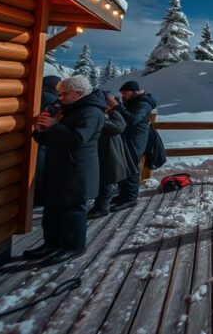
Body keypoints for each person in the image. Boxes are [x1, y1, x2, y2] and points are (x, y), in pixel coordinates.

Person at [27, 75, 105, 265]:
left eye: (64, 94)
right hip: (60, 168)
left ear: (78, 94)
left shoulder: (91, 111)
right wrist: (41, 130)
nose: (60, 97)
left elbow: (77, 139)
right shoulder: (68, 108)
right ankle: (51, 244)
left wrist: (53, 127)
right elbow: (50, 139)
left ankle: (74, 247)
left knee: (73, 211)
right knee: (52, 209)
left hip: (77, 170)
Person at [107, 80, 157, 211]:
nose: (123, 96)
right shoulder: (134, 102)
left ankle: (131, 198)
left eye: (125, 93)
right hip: (129, 138)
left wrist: (117, 106)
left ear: (134, 92)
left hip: (136, 140)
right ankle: (124, 195)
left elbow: (133, 119)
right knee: (125, 165)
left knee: (132, 167)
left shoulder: (143, 104)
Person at [88, 90, 129, 219]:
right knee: (106, 179)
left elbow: (119, 126)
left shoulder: (98, 115)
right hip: (107, 150)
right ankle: (100, 206)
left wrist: (112, 110)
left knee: (106, 180)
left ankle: (101, 207)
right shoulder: (102, 113)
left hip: (108, 151)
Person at [33, 75, 62, 209]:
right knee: (42, 169)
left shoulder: (39, 96)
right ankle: (39, 198)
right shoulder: (52, 100)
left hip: (38, 137)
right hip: (45, 140)